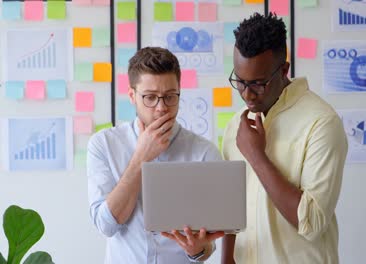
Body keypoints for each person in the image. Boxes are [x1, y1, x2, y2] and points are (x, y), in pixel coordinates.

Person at [221, 13, 348, 264]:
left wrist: (256, 156)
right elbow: (231, 209)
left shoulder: (321, 123)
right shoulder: (237, 124)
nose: (247, 95)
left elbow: (311, 222)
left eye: (257, 83)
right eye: (240, 81)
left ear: (284, 70)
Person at [87, 47, 224, 264]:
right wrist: (142, 157)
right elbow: (106, 225)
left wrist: (197, 250)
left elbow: (208, 245)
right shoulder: (103, 144)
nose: (161, 108)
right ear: (132, 96)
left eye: (170, 97)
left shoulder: (204, 152)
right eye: (150, 97)